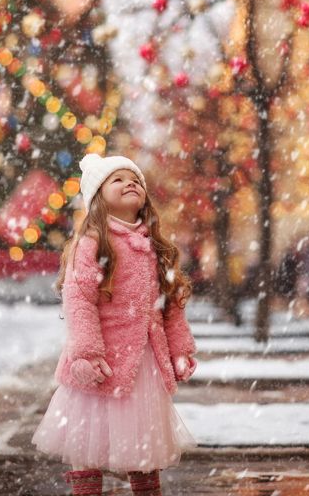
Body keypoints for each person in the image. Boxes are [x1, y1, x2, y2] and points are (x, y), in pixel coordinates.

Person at [31, 153, 198, 496]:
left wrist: (179, 350)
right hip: (100, 361)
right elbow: (79, 300)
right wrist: (86, 352)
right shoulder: (93, 243)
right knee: (86, 444)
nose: (130, 184)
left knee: (143, 444)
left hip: (144, 364)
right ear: (97, 198)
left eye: (135, 180)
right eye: (117, 180)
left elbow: (170, 306)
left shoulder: (156, 247)